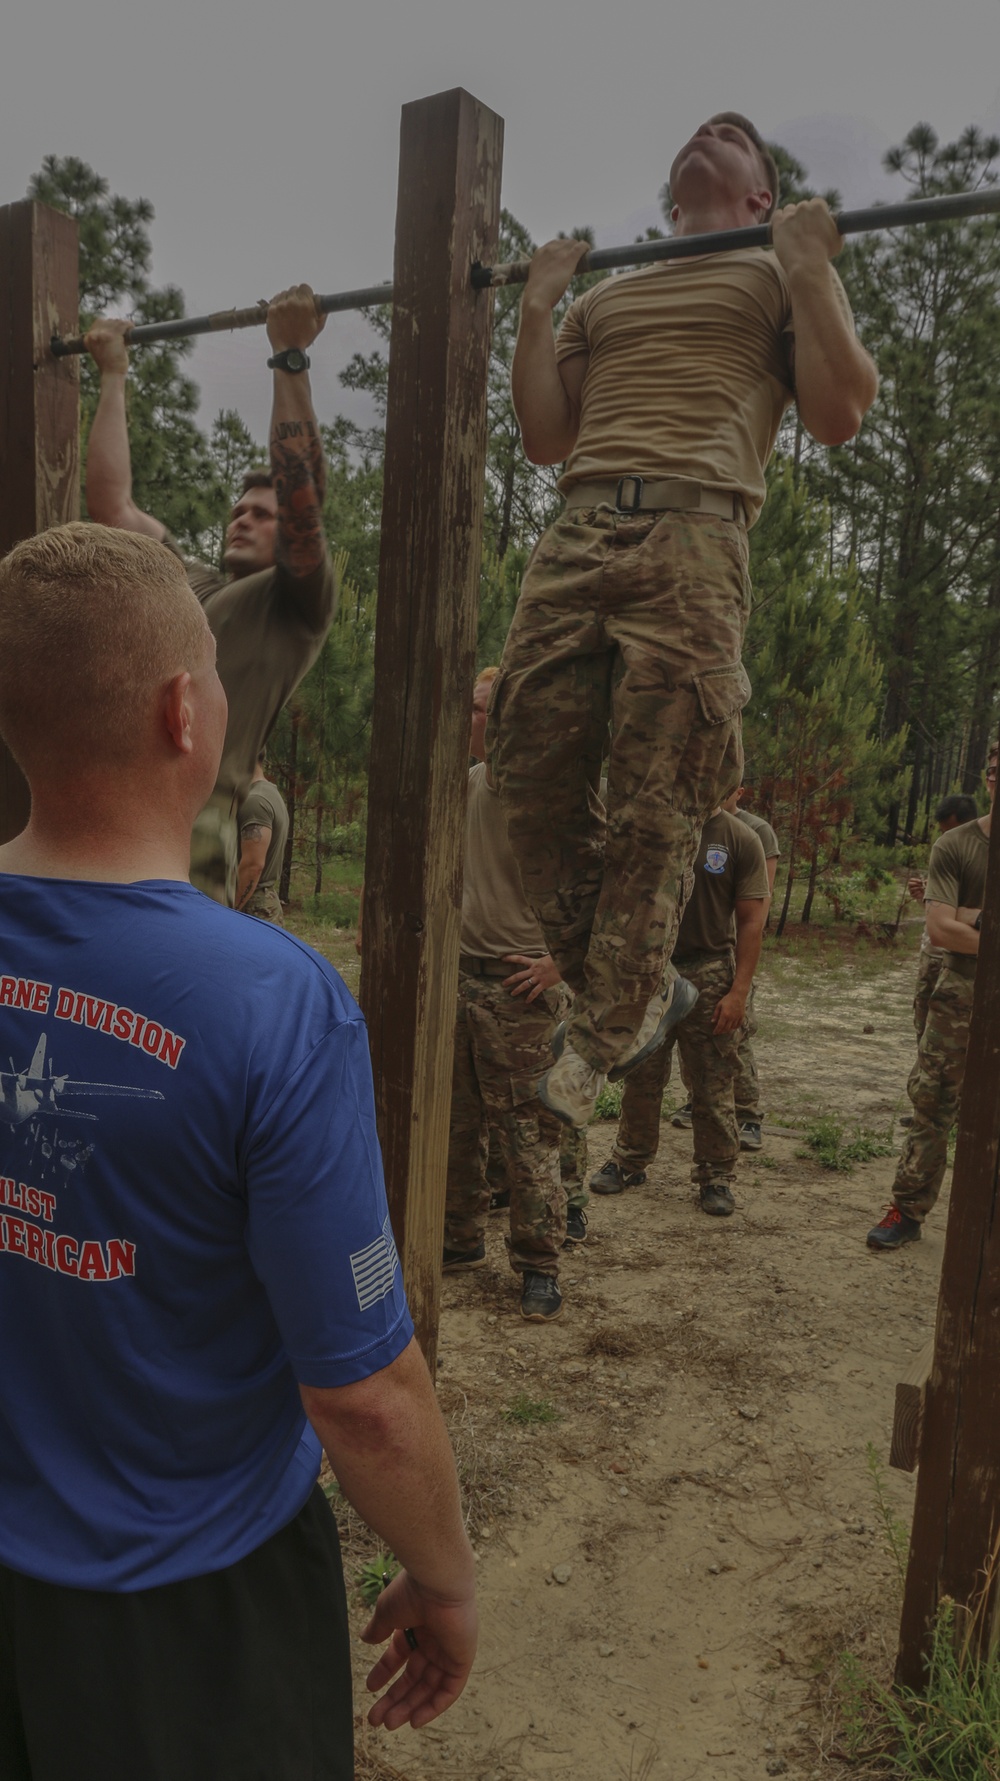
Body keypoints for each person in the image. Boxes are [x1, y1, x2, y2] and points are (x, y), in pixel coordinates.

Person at [0, 524, 476, 1780]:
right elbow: (363, 1393)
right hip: (191, 1616)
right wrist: (445, 1575)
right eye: (211, 665)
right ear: (183, 710)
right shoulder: (273, 1002)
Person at [487, 112, 878, 1129]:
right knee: (523, 769)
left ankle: (607, 1027)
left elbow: (840, 413)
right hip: (577, 526)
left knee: (661, 800)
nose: (711, 129)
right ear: (674, 197)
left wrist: (810, 266)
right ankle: (639, 992)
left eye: (736, 135)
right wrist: (538, 306)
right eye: (702, 129)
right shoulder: (610, 292)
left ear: (760, 195)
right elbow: (541, 434)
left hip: (695, 534)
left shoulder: (772, 272)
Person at [84, 286, 337, 904]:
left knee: (173, 987)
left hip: (195, 826)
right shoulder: (189, 582)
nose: (241, 518)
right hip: (114, 811)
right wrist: (114, 375)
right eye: (237, 509)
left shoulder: (294, 605)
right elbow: (113, 507)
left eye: (261, 512)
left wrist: (290, 355)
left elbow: (301, 489)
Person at [443, 670, 573, 1324]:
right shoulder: (466, 785)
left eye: (480, 708)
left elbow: (606, 885)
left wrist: (560, 962)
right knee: (459, 1123)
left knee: (529, 1131)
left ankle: (540, 1263)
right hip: (463, 975)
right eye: (468, 707)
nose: (470, 719)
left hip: (522, 987)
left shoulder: (546, 793)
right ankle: (459, 1237)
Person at [589, 801, 769, 1216]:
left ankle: (716, 1175)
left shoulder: (740, 838)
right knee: (641, 1073)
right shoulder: (653, 826)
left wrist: (738, 992)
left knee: (712, 1079)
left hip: (709, 969)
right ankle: (629, 1160)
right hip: (651, 969)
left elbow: (751, 922)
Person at [867, 758, 995, 1251]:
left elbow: (958, 920)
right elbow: (941, 929)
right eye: (996, 765)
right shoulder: (957, 845)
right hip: (960, 994)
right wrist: (962, 918)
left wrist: (975, 917)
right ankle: (908, 1209)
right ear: (989, 777)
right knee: (932, 1104)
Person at [673, 776, 779, 1148]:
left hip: (719, 957)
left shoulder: (750, 833)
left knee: (731, 1041)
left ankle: (746, 1115)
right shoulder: (671, 825)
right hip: (666, 964)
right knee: (650, 1064)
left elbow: (756, 910)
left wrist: (739, 984)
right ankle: (633, 1156)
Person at [904, 793, 979, 1052]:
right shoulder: (946, 850)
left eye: (950, 830)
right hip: (932, 954)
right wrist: (925, 898)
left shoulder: (978, 856)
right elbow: (944, 912)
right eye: (942, 831)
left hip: (959, 960)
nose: (945, 837)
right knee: (923, 1026)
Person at [237, 753, 290, 923]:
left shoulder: (255, 801)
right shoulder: (270, 792)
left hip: (253, 907)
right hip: (262, 903)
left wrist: (228, 910)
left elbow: (253, 866)